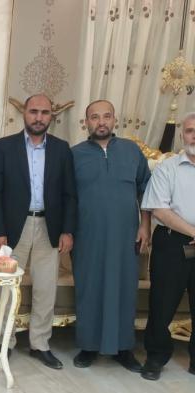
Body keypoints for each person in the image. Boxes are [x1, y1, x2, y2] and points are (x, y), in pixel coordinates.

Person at [0, 93, 77, 369]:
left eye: (45, 113)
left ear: (52, 116)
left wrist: (67, 230)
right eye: (34, 112)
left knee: (46, 289)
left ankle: (40, 344)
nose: (39, 118)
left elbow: (70, 194)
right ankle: (4, 342)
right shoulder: (2, 147)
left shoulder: (62, 149)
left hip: (49, 228)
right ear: (24, 113)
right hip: (13, 230)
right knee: (7, 287)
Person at [71, 100, 151, 372]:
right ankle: (88, 347)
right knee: (89, 288)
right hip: (87, 236)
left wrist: (145, 226)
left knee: (124, 289)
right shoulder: (75, 154)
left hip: (126, 235)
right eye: (95, 117)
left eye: (106, 116)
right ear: (86, 122)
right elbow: (66, 197)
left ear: (115, 120)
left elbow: (146, 190)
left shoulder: (131, 151)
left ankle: (123, 349)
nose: (101, 122)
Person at [139, 112, 195, 380]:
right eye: (190, 131)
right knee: (161, 305)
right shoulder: (167, 168)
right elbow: (159, 209)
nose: (194, 136)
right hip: (173, 242)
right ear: (182, 135)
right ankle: (156, 357)